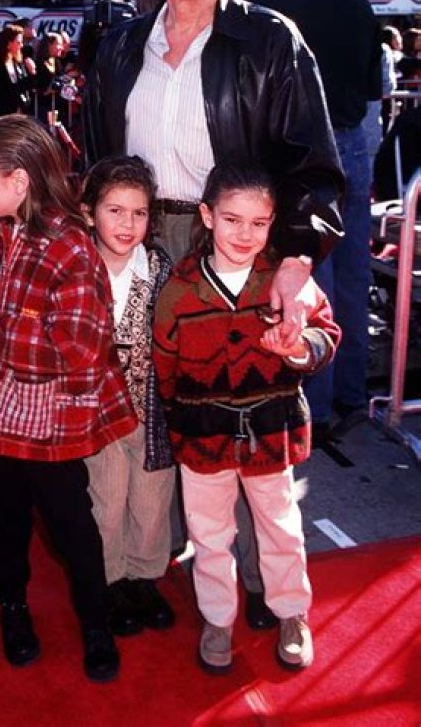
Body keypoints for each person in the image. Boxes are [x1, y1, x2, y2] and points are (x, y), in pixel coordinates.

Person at [83, 0, 344, 629]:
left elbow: (314, 168)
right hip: (137, 244)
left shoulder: (271, 40)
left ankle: (267, 584)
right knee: (144, 409)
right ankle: (147, 561)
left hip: (236, 246)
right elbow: (98, 158)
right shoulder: (121, 44)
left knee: (249, 409)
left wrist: (293, 259)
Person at [0, 115, 137, 681]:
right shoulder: (1, 237)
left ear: (18, 181)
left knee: (72, 530)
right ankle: (13, 609)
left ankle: (95, 623)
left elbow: (76, 350)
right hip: (1, 416)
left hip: (55, 423)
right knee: (4, 526)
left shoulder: (70, 248)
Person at [154, 164, 340, 673]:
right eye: (232, 220)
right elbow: (164, 366)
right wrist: (178, 419)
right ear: (207, 215)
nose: (244, 234)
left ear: (273, 222)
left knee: (281, 528)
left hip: (271, 434)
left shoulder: (287, 281)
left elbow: (326, 334)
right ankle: (218, 618)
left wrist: (298, 348)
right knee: (209, 535)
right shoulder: (179, 290)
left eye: (259, 223)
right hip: (202, 437)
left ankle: (291, 613)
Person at [259, 0, 382, 437]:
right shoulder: (358, 7)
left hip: (299, 147)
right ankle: (351, 394)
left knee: (306, 273)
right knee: (352, 272)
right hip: (351, 144)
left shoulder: (269, 4)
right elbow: (373, 93)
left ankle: (318, 402)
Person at [81, 155, 176, 636]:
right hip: (97, 416)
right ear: (89, 212)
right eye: (114, 211)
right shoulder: (79, 266)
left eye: (139, 213)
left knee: (152, 499)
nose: (127, 224)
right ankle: (111, 579)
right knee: (107, 497)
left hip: (152, 412)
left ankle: (145, 576)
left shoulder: (159, 269)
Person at [0, 24, 34, 120]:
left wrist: (32, 72)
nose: (21, 46)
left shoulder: (17, 63)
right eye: (18, 42)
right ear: (8, 43)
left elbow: (24, 85)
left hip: (17, 112)